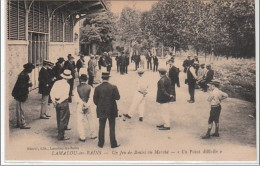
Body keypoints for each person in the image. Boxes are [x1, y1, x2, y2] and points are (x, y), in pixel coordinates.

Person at [93, 72, 120, 148]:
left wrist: (100, 105)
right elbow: (117, 97)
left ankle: (100, 143)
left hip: (101, 110)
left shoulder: (97, 88)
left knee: (101, 126)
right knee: (112, 126)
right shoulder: (113, 87)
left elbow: (95, 100)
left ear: (102, 78)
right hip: (112, 110)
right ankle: (113, 144)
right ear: (108, 78)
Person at [74, 74, 97, 142]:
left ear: (80, 80)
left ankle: (82, 136)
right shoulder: (90, 87)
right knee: (90, 120)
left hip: (80, 106)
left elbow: (77, 98)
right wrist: (87, 104)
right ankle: (93, 134)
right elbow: (91, 98)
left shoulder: (76, 88)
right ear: (86, 80)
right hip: (88, 105)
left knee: (80, 121)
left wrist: (82, 104)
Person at [11, 63, 35, 129]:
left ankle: (19, 123)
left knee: (18, 109)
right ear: (28, 69)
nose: (32, 70)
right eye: (31, 69)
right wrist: (29, 84)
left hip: (17, 93)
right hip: (21, 94)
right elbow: (23, 86)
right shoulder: (24, 76)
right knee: (21, 109)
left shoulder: (22, 74)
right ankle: (23, 124)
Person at [50, 69, 72, 140]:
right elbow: (66, 95)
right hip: (63, 102)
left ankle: (60, 129)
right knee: (63, 118)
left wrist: (54, 101)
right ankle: (61, 135)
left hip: (56, 101)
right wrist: (60, 101)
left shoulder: (57, 82)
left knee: (59, 117)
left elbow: (51, 92)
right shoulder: (67, 85)